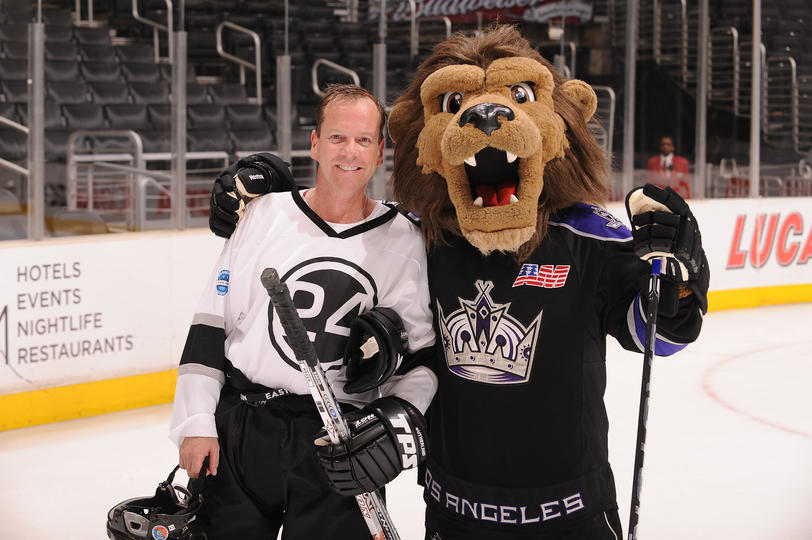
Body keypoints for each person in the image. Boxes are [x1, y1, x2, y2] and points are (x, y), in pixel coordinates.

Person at [170, 84, 436, 540]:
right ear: (314, 143)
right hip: (242, 430)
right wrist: (195, 423)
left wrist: (394, 425)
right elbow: (210, 325)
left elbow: (421, 359)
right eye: (336, 138)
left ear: (379, 152)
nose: (349, 151)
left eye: (363, 140)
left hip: (339, 441)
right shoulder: (263, 215)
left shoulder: (405, 239)